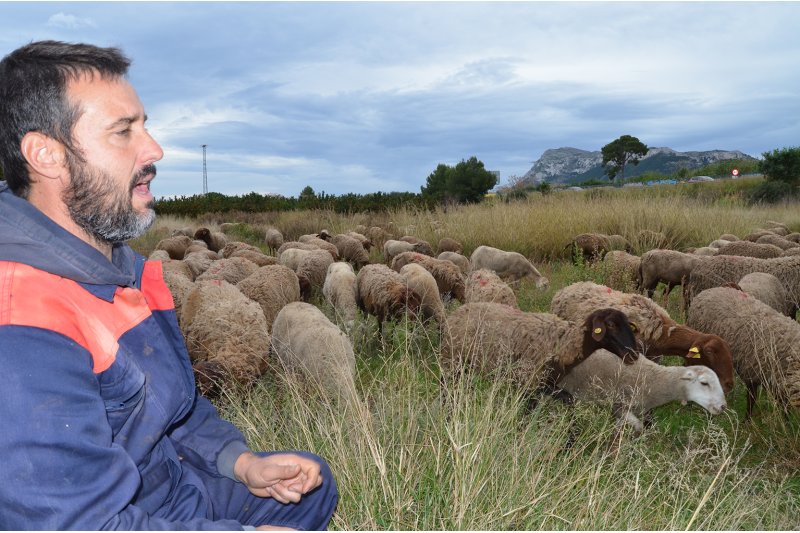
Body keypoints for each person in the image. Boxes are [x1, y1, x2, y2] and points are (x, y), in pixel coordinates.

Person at [0, 40, 338, 530]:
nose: (154, 149)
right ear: (46, 155)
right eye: (124, 131)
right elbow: (79, 523)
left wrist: (240, 463)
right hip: (126, 515)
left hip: (170, 488)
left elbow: (171, 409)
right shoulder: (22, 326)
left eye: (144, 124)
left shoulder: (128, 270)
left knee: (312, 483)